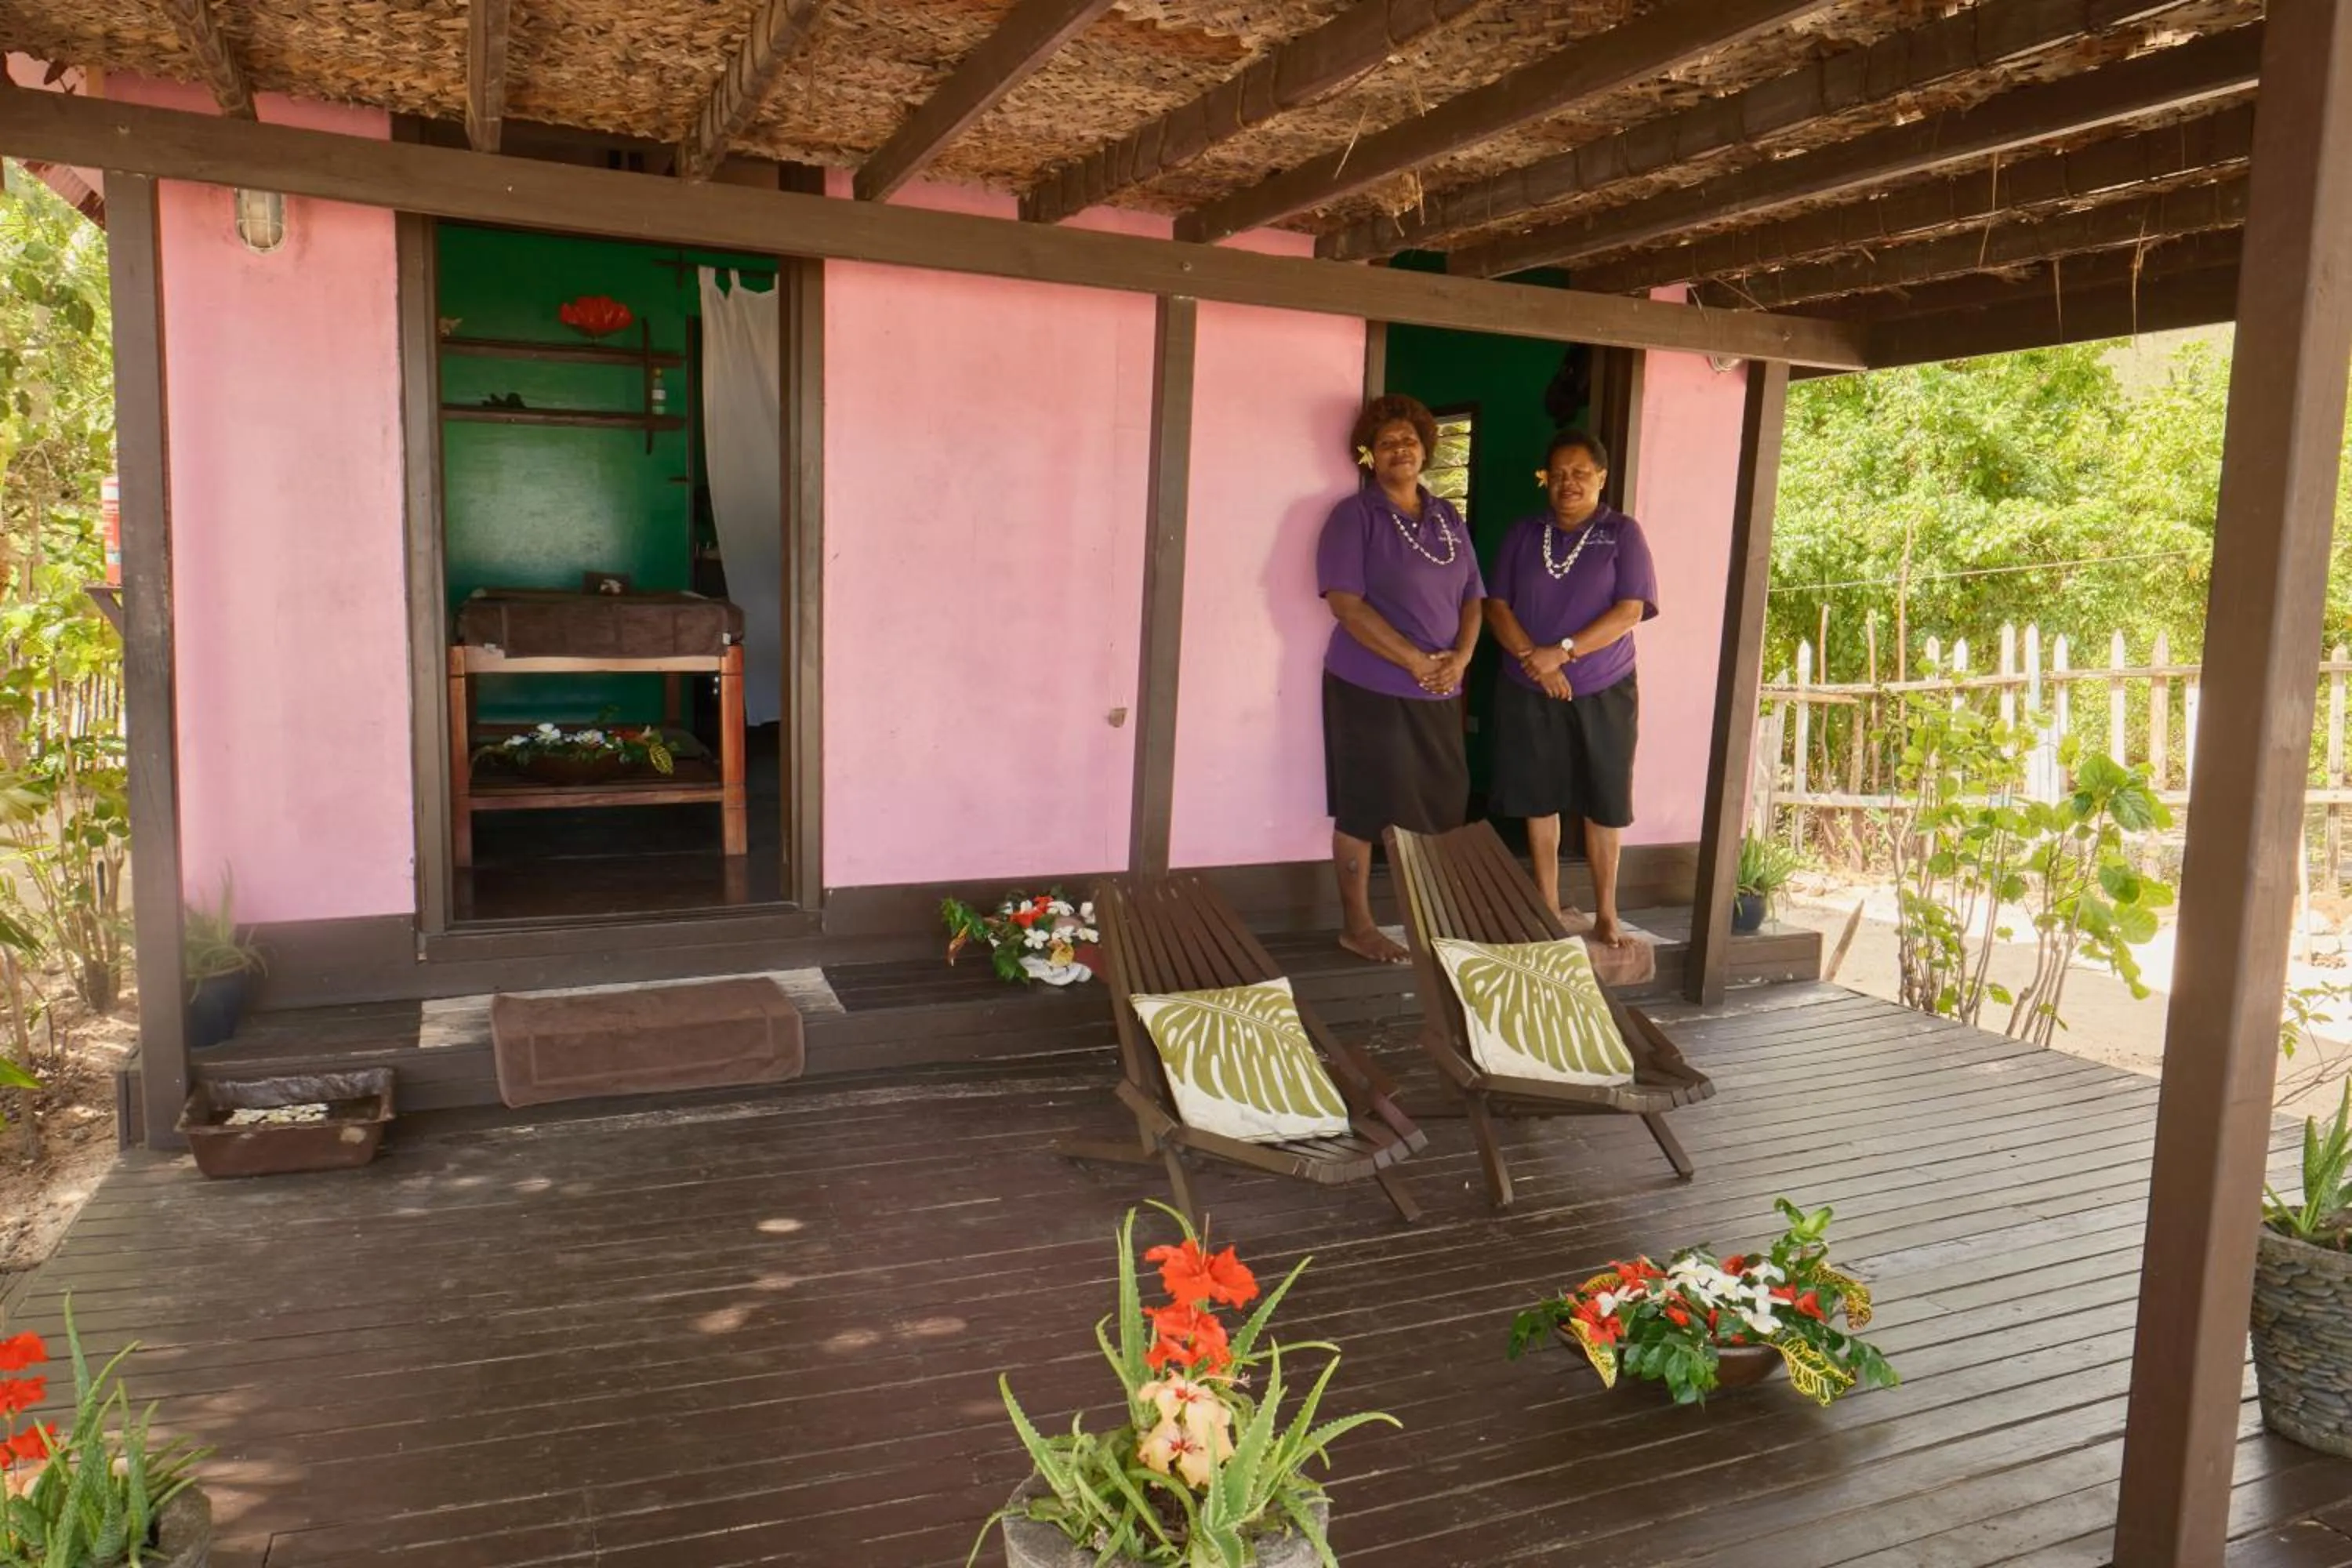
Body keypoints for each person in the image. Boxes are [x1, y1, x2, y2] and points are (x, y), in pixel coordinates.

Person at [1316, 394, 1485, 964]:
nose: (1400, 450)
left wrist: (1460, 659)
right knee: (1365, 804)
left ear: (1426, 449)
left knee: (1439, 802)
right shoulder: (1353, 515)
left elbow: (1473, 598)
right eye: (1387, 443)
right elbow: (1346, 604)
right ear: (1369, 454)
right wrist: (1414, 661)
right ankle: (1358, 926)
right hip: (1368, 684)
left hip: (1441, 687)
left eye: (1409, 440)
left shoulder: (1448, 517)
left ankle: (1433, 919)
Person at [1483, 429, 1657, 947]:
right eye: (1557, 474)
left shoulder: (1622, 533)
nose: (1568, 484)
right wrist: (1536, 664)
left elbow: (1629, 611)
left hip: (1604, 687)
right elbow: (1497, 606)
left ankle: (1606, 913)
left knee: (1604, 800)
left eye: (1580, 473)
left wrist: (1562, 652)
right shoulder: (1522, 533)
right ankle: (1548, 906)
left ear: (1601, 478)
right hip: (1528, 685)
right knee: (1541, 798)